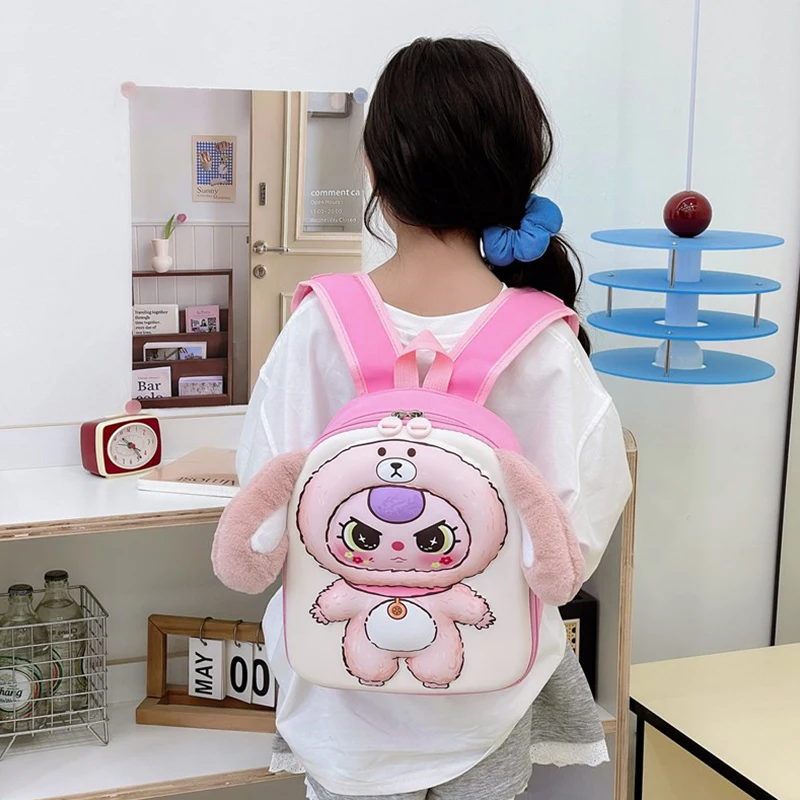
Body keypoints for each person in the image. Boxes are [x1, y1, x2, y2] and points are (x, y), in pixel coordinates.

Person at [236, 37, 632, 800]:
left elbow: (261, 526)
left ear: (374, 168)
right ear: (518, 175)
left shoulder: (318, 327)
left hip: (341, 695)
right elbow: (573, 548)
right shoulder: (546, 343)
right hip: (487, 693)